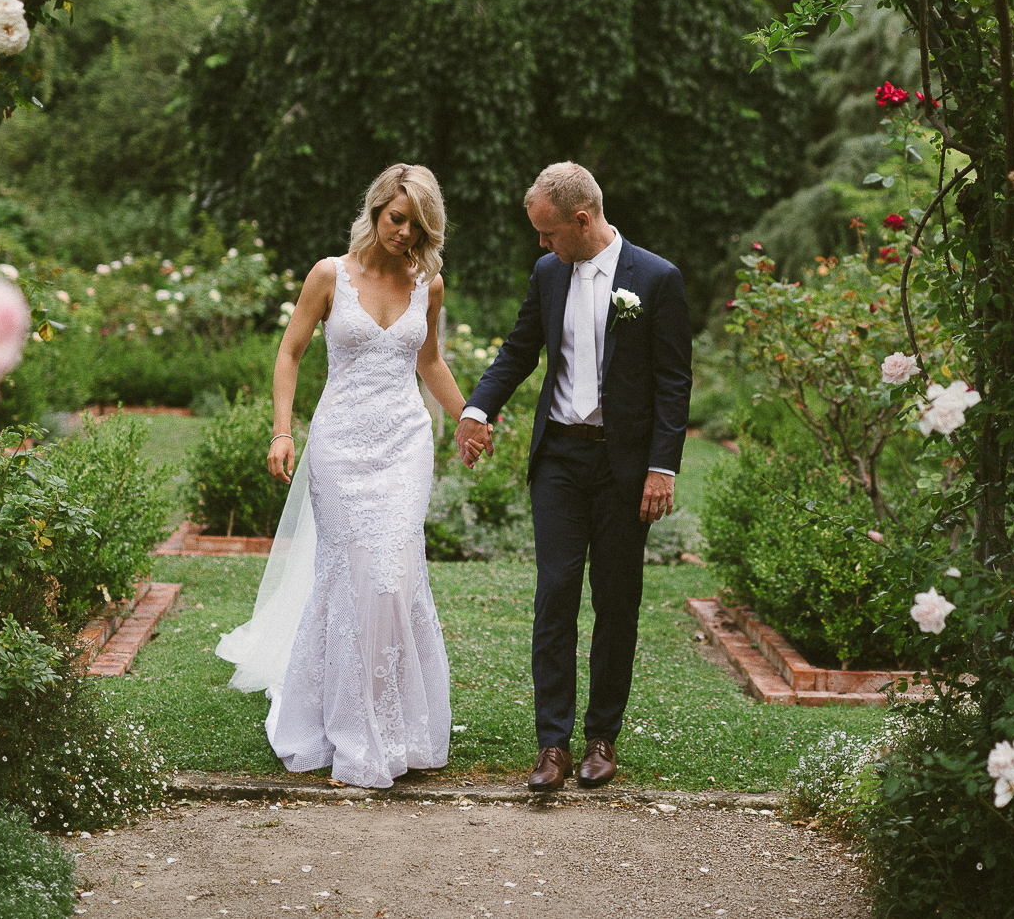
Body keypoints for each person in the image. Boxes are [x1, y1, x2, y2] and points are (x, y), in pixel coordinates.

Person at [216, 163, 465, 788]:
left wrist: (469, 418)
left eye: (416, 225)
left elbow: (429, 361)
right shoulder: (330, 276)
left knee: (395, 575)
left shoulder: (427, 286)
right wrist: (282, 430)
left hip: (406, 444)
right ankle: (348, 729)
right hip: (340, 445)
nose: (404, 234)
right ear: (376, 211)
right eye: (395, 219)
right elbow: (290, 351)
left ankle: (399, 726)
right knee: (351, 579)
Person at [455, 162, 692, 791]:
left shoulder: (656, 280)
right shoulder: (547, 273)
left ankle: (601, 739)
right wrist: (477, 409)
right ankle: (552, 746)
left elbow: (674, 383)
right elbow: (519, 349)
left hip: (623, 465)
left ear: (582, 221)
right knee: (555, 592)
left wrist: (660, 467)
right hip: (559, 457)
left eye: (548, 232)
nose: (541, 244)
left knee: (616, 600)